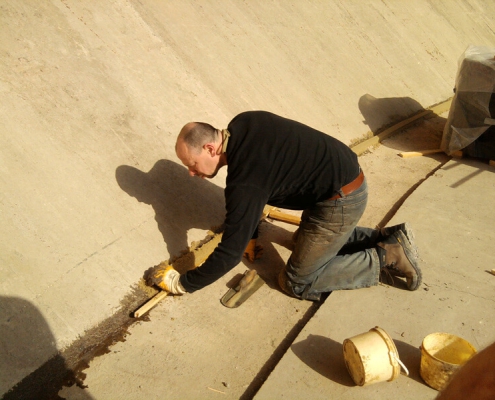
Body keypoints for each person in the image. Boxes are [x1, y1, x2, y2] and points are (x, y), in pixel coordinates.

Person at [147, 111, 421, 300]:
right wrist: (250, 234)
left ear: (209, 148)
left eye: (191, 165)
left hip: (340, 200)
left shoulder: (244, 181)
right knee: (301, 241)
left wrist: (182, 283)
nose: (192, 174)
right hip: (336, 182)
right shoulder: (244, 123)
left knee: (296, 281)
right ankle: (382, 237)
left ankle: (387, 257)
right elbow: (262, 184)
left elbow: (229, 254)